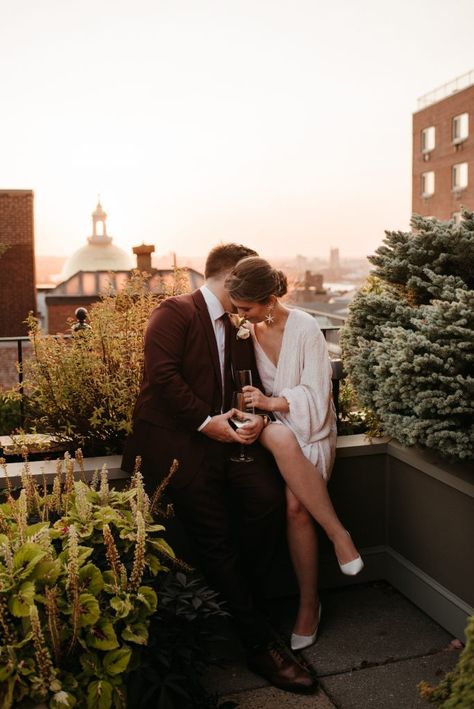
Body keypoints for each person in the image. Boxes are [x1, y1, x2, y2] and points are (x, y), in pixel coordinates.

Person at [122, 243, 318, 694]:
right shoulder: (174, 312)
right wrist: (207, 423)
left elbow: (241, 386)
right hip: (177, 446)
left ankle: (240, 605)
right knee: (214, 538)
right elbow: (162, 376)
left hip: (225, 444)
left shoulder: (237, 325)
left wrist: (253, 420)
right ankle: (258, 642)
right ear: (228, 277)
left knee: (268, 501)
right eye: (244, 280)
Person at [225, 256, 363, 651]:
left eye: (247, 308)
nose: (241, 316)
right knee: (281, 441)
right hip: (273, 428)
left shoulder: (305, 328)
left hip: (311, 424)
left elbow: (318, 398)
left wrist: (272, 403)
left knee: (296, 508)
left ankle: (310, 603)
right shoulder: (246, 332)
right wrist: (254, 409)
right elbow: (242, 387)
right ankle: (338, 535)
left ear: (269, 300)